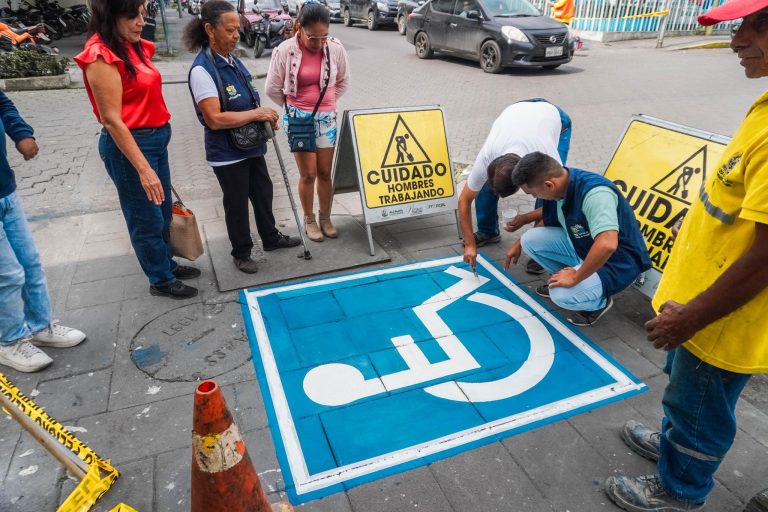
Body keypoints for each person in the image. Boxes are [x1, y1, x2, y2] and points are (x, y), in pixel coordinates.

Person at [604, 1, 768, 510]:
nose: (736, 41)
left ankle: (681, 488)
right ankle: (674, 451)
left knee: (700, 408)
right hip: (700, 301)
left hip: (719, 317)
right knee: (684, 392)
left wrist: (692, 317)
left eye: (749, 27)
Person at [75, 0, 199, 299]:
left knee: (162, 210)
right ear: (110, 16)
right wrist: (143, 169)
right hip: (130, 147)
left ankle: (165, 263)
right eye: (132, 16)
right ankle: (160, 279)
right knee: (145, 218)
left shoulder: (133, 45)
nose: (140, 22)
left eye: (143, 14)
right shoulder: (100, 55)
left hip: (156, 140)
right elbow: (112, 120)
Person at [184, 0, 300, 275]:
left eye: (238, 29)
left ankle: (270, 237)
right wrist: (257, 115)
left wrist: (265, 118)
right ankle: (242, 252)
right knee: (236, 203)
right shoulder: (202, 70)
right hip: (226, 152)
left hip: (251, 144)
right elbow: (214, 118)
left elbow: (247, 103)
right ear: (210, 29)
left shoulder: (232, 60)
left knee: (263, 192)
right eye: (230, 30)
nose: (236, 35)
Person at [502, 152, 651, 327]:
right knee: (529, 240)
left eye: (534, 194)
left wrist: (576, 277)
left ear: (549, 184)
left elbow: (607, 244)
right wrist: (523, 227)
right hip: (583, 245)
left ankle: (597, 303)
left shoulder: (595, 194)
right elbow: (555, 212)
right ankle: (565, 279)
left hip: (617, 262)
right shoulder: (560, 184)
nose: (535, 198)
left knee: (561, 295)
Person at [0, 91, 86, 373]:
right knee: (8, 274)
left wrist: (21, 133)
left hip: (5, 190)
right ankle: (9, 342)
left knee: (29, 262)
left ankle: (40, 326)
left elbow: (2, 102)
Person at [265, 0, 350, 242]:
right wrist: (295, 107)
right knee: (308, 174)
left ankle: (326, 217)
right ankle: (309, 218)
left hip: (327, 118)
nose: (320, 43)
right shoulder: (285, 50)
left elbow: (343, 80)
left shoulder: (335, 48)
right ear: (300, 28)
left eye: (324, 37)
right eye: (314, 37)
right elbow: (272, 88)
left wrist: (327, 104)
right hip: (299, 118)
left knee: (324, 172)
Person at [460, 99, 571, 275]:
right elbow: (464, 200)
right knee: (482, 187)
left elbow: (558, 202)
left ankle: (541, 246)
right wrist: (469, 243)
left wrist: (523, 241)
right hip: (517, 110)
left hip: (554, 117)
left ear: (522, 182)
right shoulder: (487, 157)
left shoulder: (546, 157)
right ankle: (488, 231)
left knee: (547, 193)